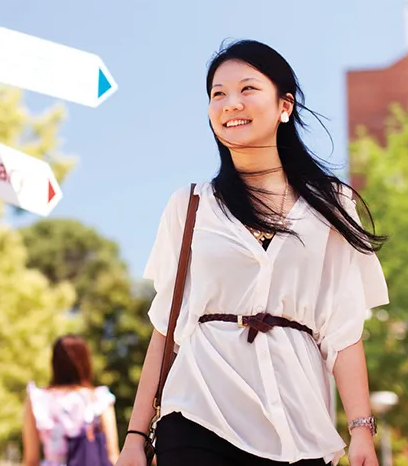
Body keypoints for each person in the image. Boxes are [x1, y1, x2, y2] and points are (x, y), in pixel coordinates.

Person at [116, 39, 390, 466]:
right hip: (198, 409)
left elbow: (343, 326)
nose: (230, 104)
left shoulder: (330, 205)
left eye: (247, 89)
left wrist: (361, 430)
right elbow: (166, 327)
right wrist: (135, 436)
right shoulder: (190, 205)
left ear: (285, 106)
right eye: (218, 94)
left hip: (298, 424)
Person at [22, 335, 119, 466]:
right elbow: (113, 455)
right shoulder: (99, 398)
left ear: (54, 363)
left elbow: (31, 460)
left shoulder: (38, 400)